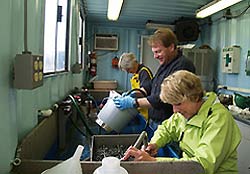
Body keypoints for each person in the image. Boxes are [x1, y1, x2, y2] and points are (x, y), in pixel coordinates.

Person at [121, 70, 242, 174]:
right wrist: (154, 144)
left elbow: (200, 166)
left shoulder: (218, 120)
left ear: (194, 97)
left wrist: (153, 162)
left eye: (178, 104)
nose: (174, 110)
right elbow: (166, 129)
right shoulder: (185, 113)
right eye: (172, 104)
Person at [114, 28, 195, 130]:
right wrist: (135, 93)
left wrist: (134, 102)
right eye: (154, 52)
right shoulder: (165, 64)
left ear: (171, 47)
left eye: (158, 52)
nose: (155, 56)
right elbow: (152, 85)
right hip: (155, 121)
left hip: (169, 125)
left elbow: (163, 98)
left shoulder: (182, 65)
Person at [118, 52, 153, 120]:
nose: (128, 72)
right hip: (140, 109)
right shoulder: (136, 74)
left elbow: (144, 91)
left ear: (133, 64)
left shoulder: (144, 72)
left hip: (147, 111)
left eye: (128, 69)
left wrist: (131, 95)